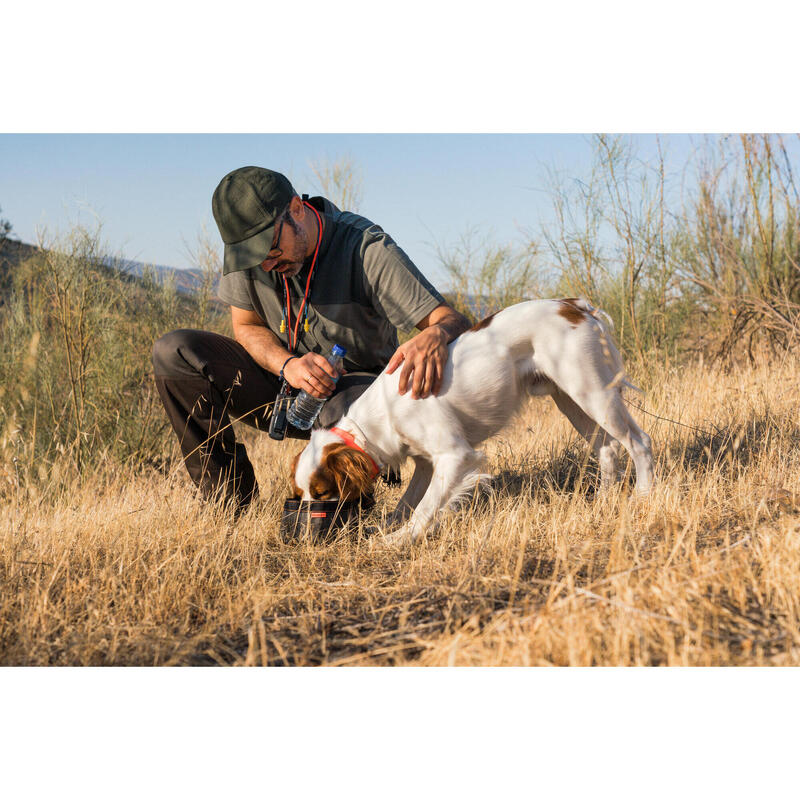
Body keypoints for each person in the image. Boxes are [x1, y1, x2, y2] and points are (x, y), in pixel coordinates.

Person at [152, 166, 471, 514]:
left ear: (296, 210)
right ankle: (228, 504)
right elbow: (245, 326)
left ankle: (342, 512)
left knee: (341, 409)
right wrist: (286, 364)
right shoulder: (256, 256)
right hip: (283, 386)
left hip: (353, 398)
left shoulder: (365, 249)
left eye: (272, 250)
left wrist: (436, 335)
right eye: (255, 258)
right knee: (174, 353)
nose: (267, 264)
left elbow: (448, 319)